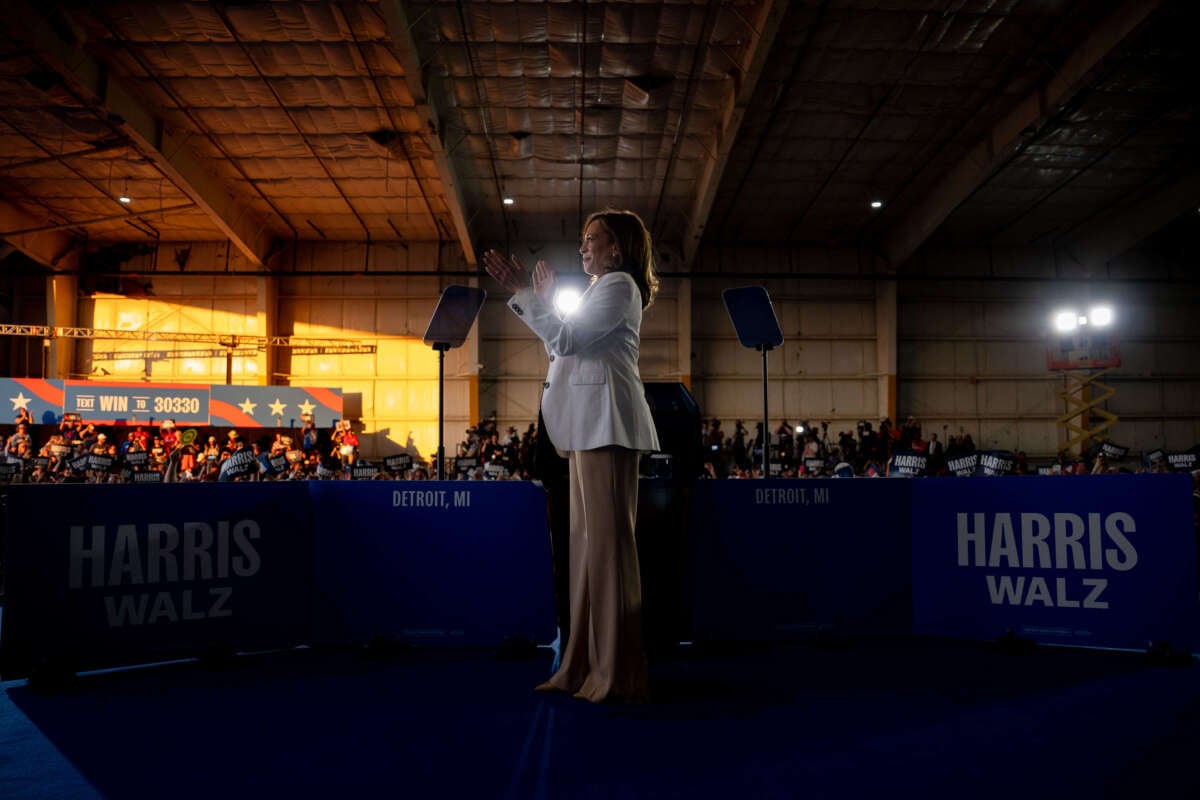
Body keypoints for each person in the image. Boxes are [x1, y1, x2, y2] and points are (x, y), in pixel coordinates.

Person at [483, 208, 661, 704]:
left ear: (616, 249)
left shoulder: (619, 286)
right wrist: (539, 302)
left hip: (607, 427)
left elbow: (563, 339)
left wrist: (524, 294)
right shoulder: (595, 291)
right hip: (586, 427)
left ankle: (617, 672)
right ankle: (581, 665)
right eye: (583, 239)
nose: (582, 247)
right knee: (585, 553)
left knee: (607, 553)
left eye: (591, 239)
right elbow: (563, 350)